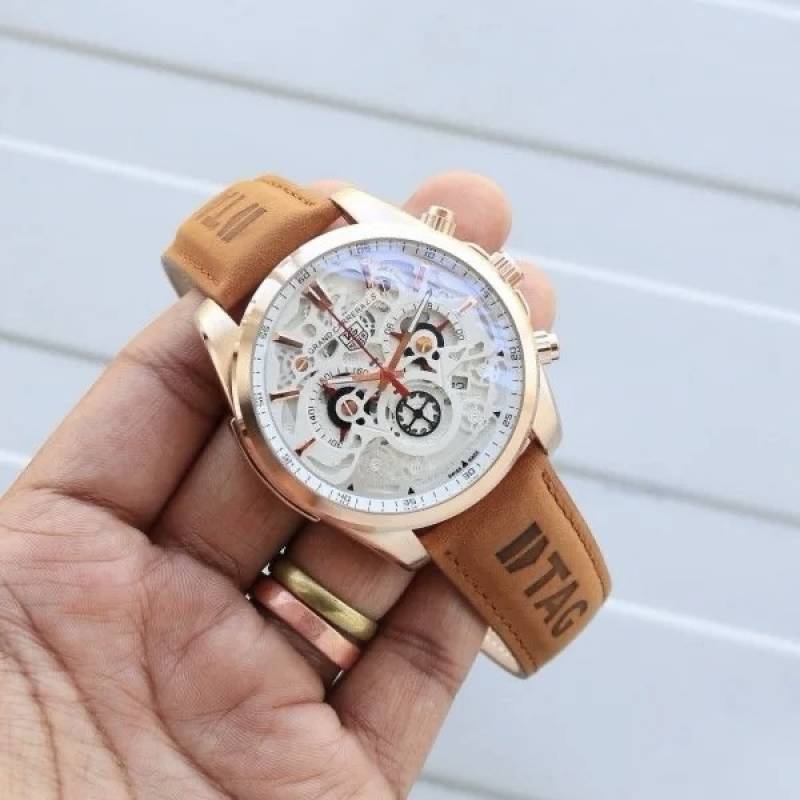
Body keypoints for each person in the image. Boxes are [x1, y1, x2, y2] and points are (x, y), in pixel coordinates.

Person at [0, 172, 555, 799]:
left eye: (417, 349)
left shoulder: (361, 235)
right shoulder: (261, 332)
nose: (389, 377)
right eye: (348, 402)